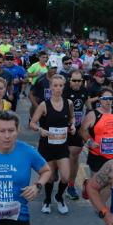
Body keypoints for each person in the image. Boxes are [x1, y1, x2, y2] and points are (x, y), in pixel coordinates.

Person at [29, 74, 75, 214]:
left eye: (61, 85)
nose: (58, 88)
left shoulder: (69, 103)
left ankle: (59, 197)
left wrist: (72, 126)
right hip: (47, 146)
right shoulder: (44, 105)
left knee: (66, 176)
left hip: (62, 146)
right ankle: (47, 200)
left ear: (64, 86)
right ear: (50, 87)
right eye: (55, 85)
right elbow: (32, 123)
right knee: (49, 177)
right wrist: (40, 129)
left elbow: (71, 118)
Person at [81, 87, 113, 174]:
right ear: (100, 100)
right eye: (105, 99)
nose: (108, 101)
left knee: (112, 183)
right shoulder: (92, 115)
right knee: (95, 184)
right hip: (97, 156)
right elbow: (82, 130)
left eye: (110, 98)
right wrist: (90, 142)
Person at [63, 69, 90, 199]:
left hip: (77, 129)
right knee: (59, 159)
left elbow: (88, 106)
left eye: (79, 81)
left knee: (74, 157)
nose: (77, 83)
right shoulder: (63, 90)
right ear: (69, 80)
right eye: (74, 80)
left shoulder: (84, 91)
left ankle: (71, 185)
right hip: (62, 129)